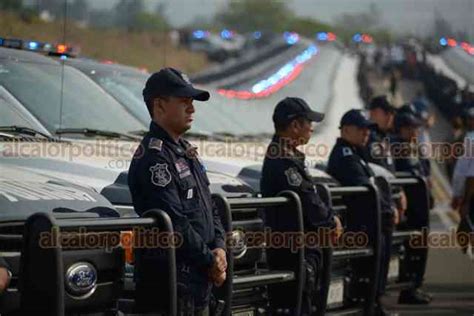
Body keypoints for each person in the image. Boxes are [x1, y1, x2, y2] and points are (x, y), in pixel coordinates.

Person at [128, 67, 227, 315]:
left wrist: (220, 247)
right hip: (173, 284)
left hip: (198, 280)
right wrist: (210, 260)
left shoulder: (184, 150)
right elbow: (173, 222)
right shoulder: (154, 158)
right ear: (159, 106)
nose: (192, 109)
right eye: (184, 102)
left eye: (192, 102)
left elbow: (209, 205)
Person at [260, 97, 342, 315]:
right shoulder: (282, 159)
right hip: (293, 252)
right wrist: (330, 220)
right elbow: (307, 199)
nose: (312, 128)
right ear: (295, 125)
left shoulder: (288, 155)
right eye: (309, 122)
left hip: (301, 249)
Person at [327, 109, 396, 316]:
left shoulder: (356, 153)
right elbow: (364, 186)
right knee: (368, 272)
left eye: (368, 129)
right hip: (360, 225)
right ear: (346, 130)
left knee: (376, 269)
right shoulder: (345, 155)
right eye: (362, 129)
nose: (366, 133)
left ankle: (373, 305)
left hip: (368, 222)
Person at [390, 111, 432, 305]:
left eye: (416, 127)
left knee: (418, 251)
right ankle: (407, 289)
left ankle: (414, 286)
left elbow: (424, 171)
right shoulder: (396, 147)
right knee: (409, 251)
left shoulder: (413, 147)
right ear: (401, 129)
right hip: (409, 210)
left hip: (420, 207)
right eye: (411, 128)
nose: (415, 131)